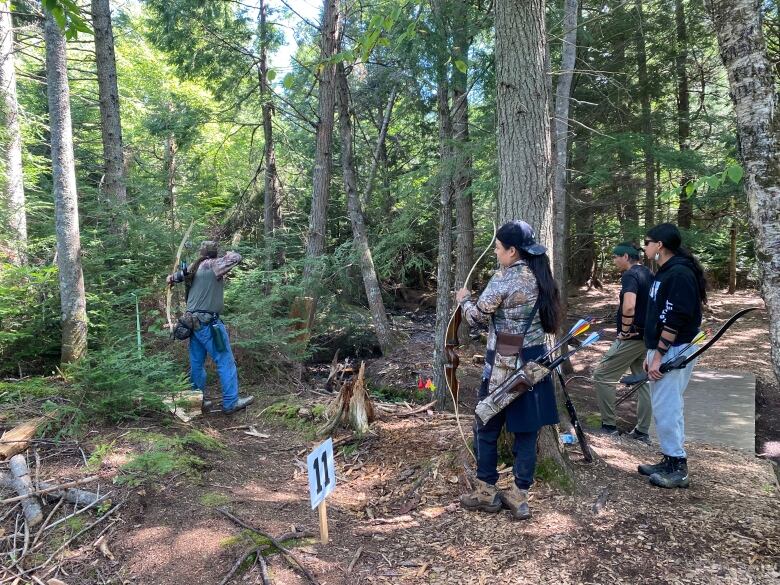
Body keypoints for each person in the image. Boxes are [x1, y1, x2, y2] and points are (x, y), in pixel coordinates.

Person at [455, 220, 562, 520]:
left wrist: (464, 301)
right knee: (526, 429)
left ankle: (487, 491)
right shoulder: (541, 275)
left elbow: (476, 319)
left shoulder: (504, 279)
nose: (497, 254)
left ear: (513, 251)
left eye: (499, 249)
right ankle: (519, 495)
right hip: (535, 360)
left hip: (505, 360)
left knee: (486, 422)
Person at [638, 223, 706, 488]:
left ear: (660, 246)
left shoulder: (679, 274)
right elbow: (658, 314)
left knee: (668, 406)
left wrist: (659, 355)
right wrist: (651, 351)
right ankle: (669, 458)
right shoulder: (665, 272)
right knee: (663, 405)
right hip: (662, 348)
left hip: (676, 349)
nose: (644, 247)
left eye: (647, 242)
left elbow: (675, 318)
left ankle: (678, 465)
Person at [167, 240, 254, 415]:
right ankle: (231, 402)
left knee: (197, 364)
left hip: (192, 323)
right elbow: (236, 258)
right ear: (215, 253)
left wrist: (171, 278)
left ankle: (197, 403)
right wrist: (229, 252)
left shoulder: (193, 268)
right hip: (208, 324)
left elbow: (172, 278)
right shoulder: (213, 265)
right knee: (225, 361)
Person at [593, 243, 654, 443]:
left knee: (601, 375)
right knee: (642, 380)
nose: (614, 261)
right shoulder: (647, 272)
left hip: (633, 338)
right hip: (647, 338)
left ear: (625, 256)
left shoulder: (630, 275)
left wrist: (625, 331)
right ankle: (642, 431)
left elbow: (629, 307)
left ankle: (608, 426)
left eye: (615, 257)